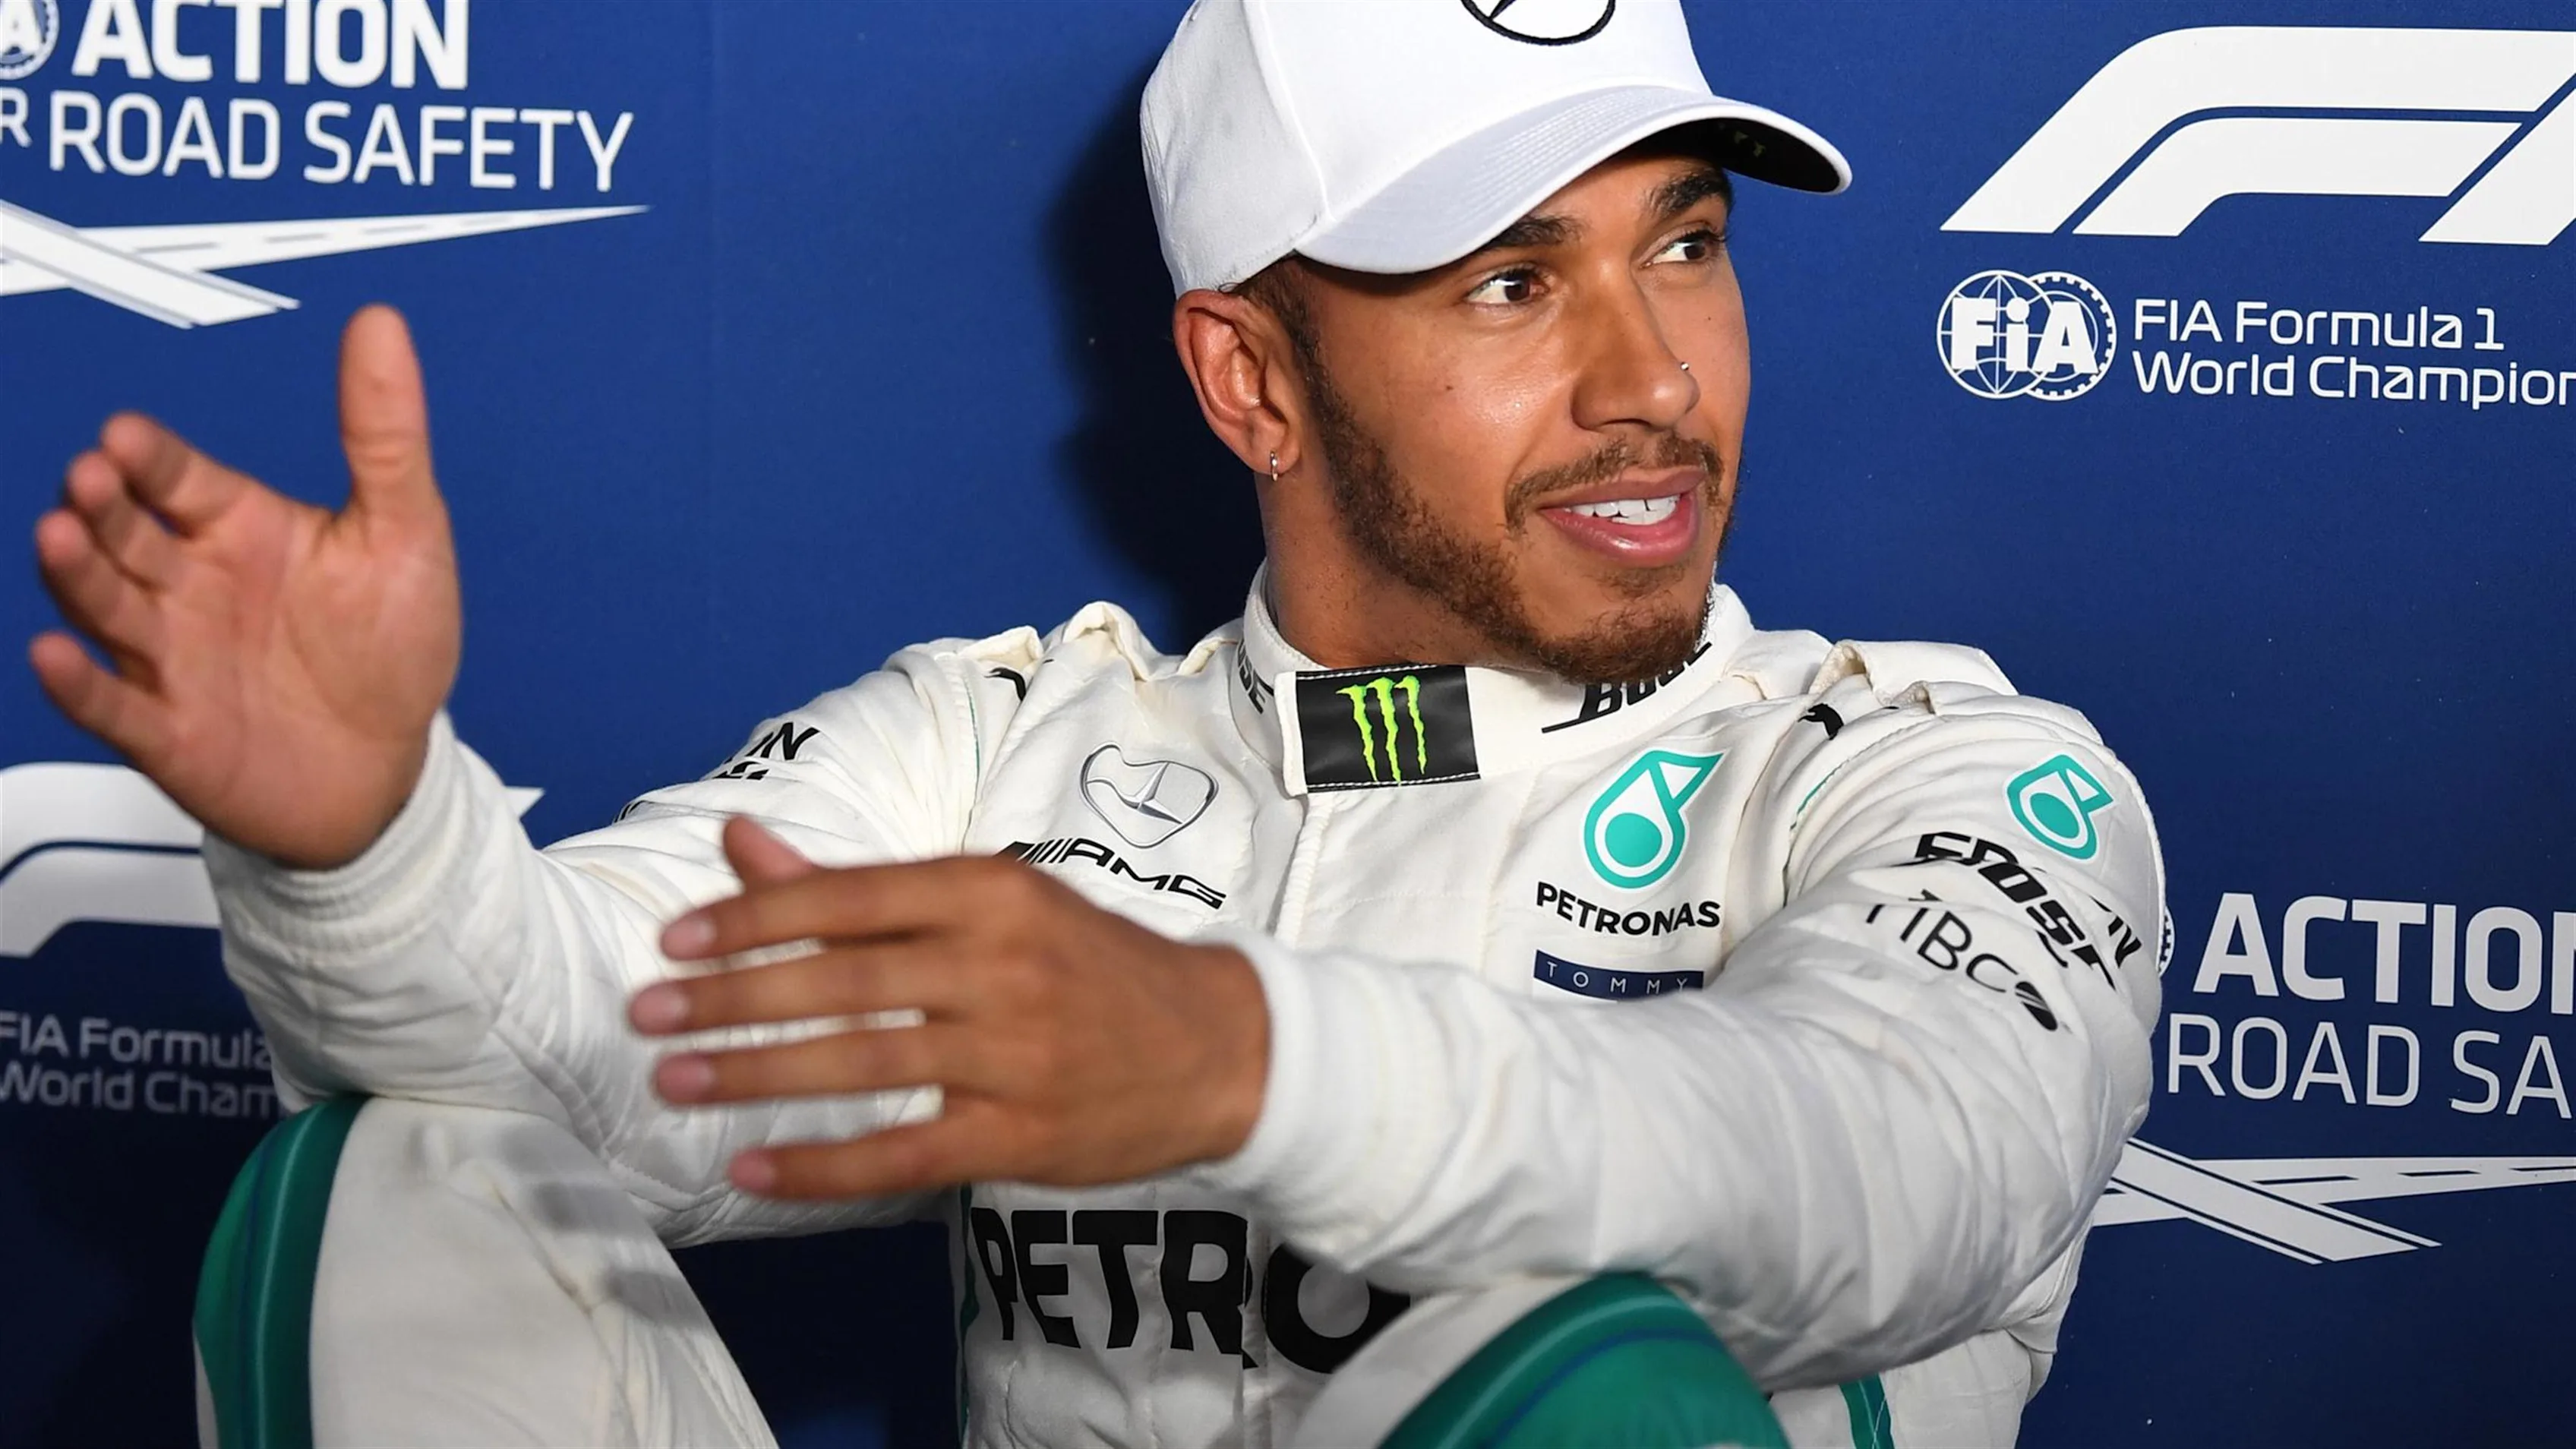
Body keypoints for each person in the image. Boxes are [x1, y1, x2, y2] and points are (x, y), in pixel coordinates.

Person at [29, 2, 2164, 1445]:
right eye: (1513, 285)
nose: (1654, 379)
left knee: (1577, 1358)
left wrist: (1227, 1054)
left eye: (1683, 248)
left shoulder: (1937, 777)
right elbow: (582, 1049)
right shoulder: (1009, 754)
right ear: (1250, 382)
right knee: (397, 1186)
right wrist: (371, 845)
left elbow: (1878, 1158)